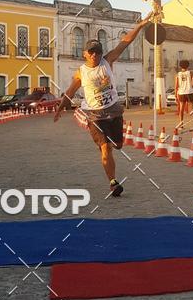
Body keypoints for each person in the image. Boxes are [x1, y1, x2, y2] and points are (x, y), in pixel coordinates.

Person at [53, 14, 151, 197]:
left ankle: (113, 150)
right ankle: (113, 183)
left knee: (118, 145)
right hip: (95, 115)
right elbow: (70, 91)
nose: (94, 55)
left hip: (114, 111)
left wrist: (140, 25)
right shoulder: (81, 72)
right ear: (85, 54)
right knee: (105, 148)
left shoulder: (108, 60)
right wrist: (60, 108)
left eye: (97, 52)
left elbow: (125, 41)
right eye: (91, 52)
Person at [175, 59, 193, 132]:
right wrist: (191, 86)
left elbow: (176, 86)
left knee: (181, 109)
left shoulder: (178, 74)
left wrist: (176, 95)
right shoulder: (190, 73)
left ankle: (181, 124)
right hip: (189, 91)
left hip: (181, 92)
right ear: (188, 65)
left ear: (180, 66)